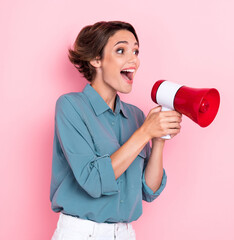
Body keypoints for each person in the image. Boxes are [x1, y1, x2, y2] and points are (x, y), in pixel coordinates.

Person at [50, 21, 182, 240]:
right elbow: (93, 182)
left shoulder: (137, 116)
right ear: (96, 59)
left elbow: (148, 190)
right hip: (81, 233)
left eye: (136, 51)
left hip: (124, 233)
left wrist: (158, 140)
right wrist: (145, 133)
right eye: (121, 50)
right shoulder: (71, 106)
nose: (134, 60)